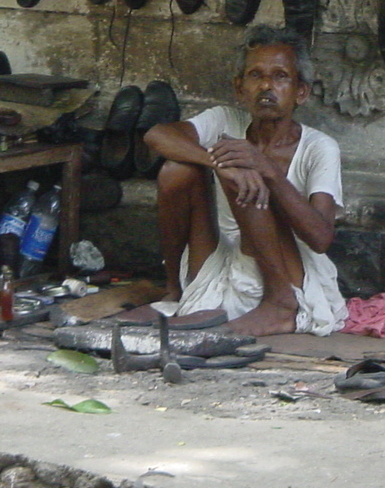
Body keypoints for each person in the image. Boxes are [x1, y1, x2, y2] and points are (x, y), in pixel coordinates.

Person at [143, 26, 347, 337]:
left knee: (246, 173)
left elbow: (321, 238)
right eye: (255, 76)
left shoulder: (320, 148)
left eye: (280, 77)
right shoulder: (225, 120)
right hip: (222, 260)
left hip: (289, 270)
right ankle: (174, 287)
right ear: (240, 88)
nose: (267, 85)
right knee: (176, 170)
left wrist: (267, 170)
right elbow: (156, 135)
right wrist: (219, 164)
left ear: (300, 92)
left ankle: (279, 304)